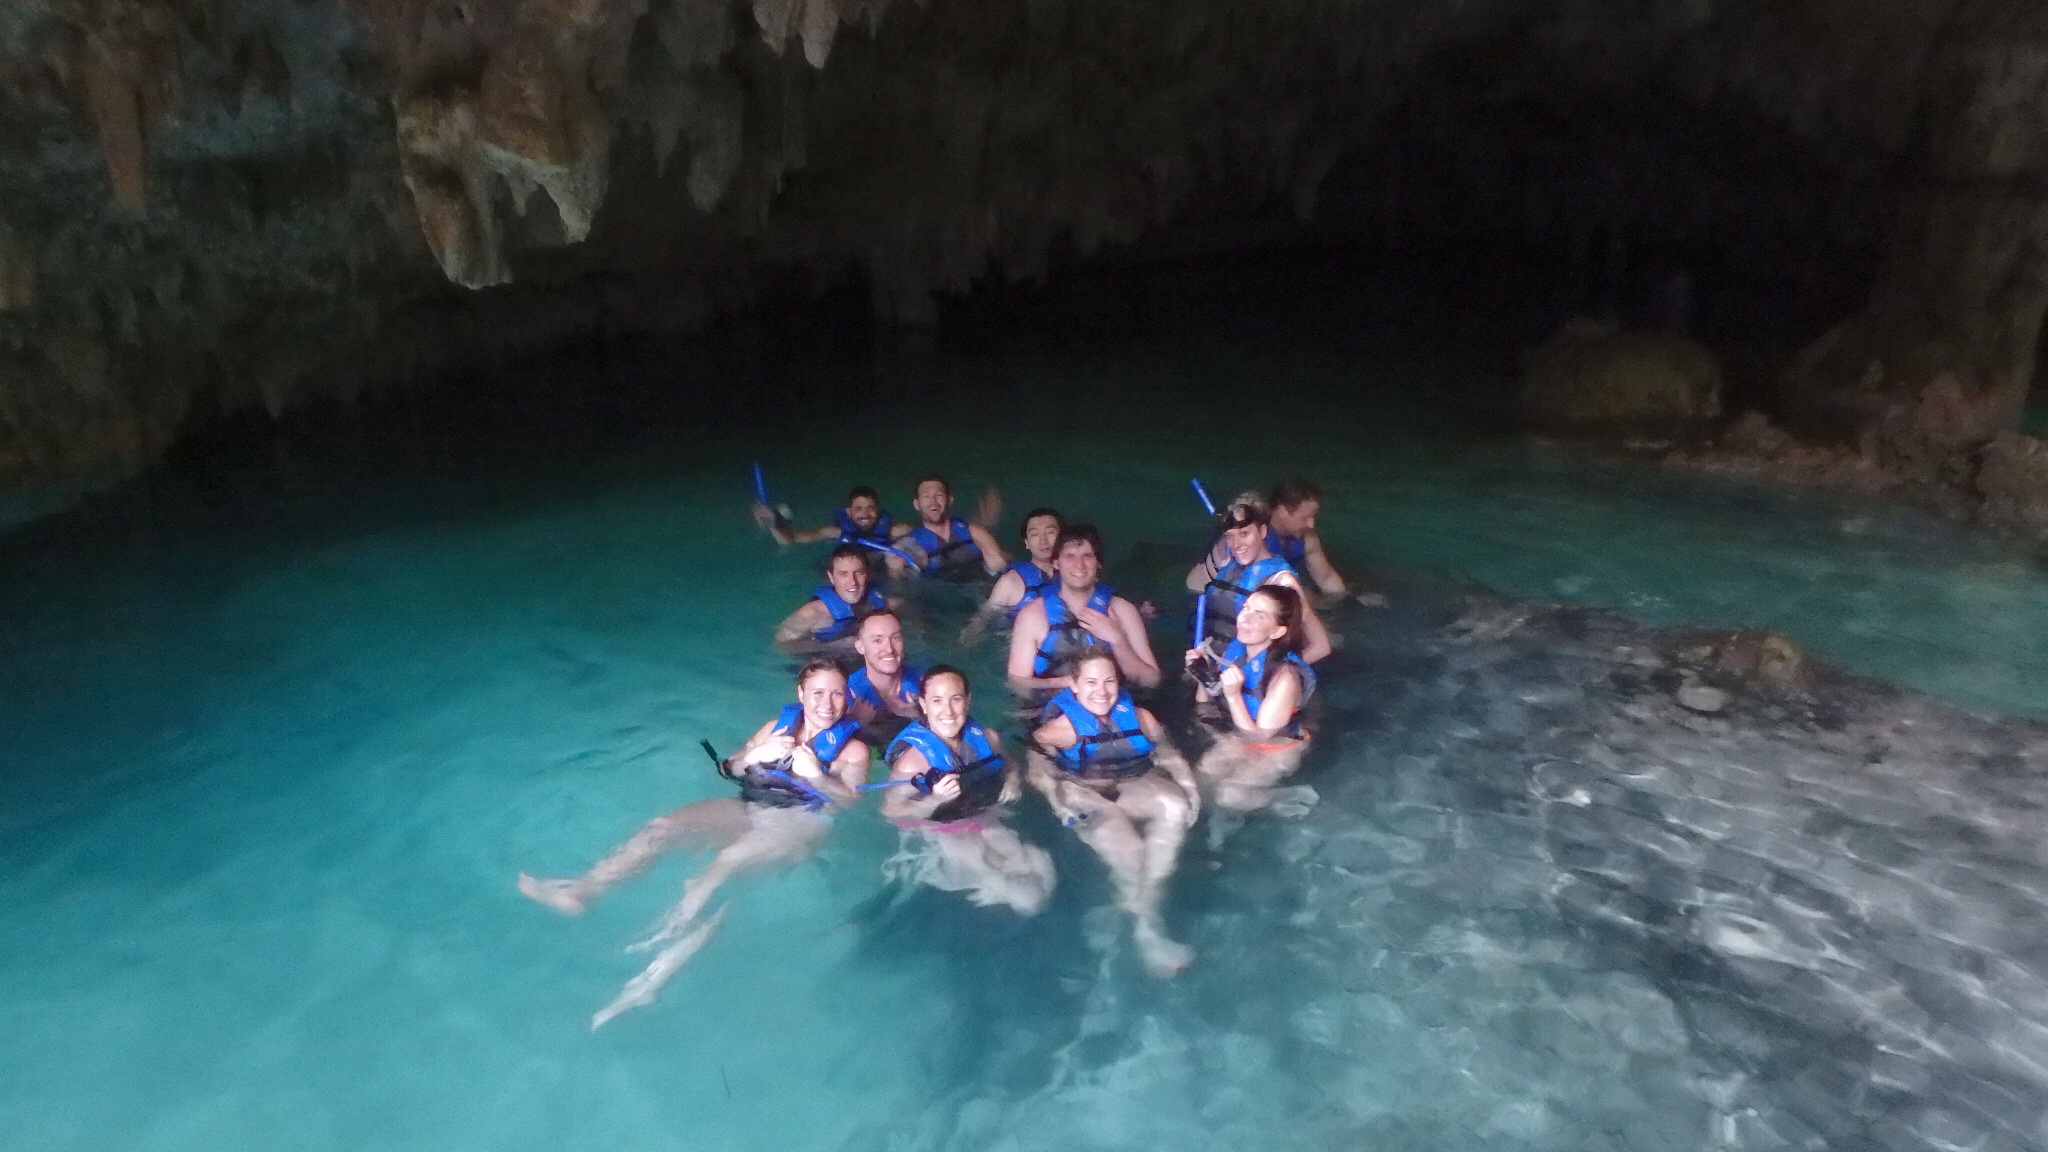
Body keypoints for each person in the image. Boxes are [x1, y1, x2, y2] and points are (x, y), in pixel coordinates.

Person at [518, 660, 868, 1029]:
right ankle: (583, 891)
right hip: (749, 808)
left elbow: (849, 803)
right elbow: (727, 768)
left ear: (846, 698)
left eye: (836, 694)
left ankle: (654, 970)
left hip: (800, 823)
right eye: (818, 693)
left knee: (724, 868)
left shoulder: (853, 751)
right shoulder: (775, 728)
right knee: (662, 828)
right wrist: (752, 757)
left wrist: (817, 777)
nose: (827, 703)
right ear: (800, 694)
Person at [1028, 650, 1199, 976]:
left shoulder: (1142, 718)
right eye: (1091, 682)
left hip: (1131, 784)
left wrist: (1190, 789)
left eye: (1109, 681)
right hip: (1084, 793)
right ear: (1074, 686)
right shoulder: (1056, 731)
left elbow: (1169, 756)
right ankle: (1148, 930)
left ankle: (1145, 897)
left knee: (1176, 805)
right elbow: (1038, 772)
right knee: (1133, 852)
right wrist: (1057, 801)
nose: (1102, 690)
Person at [877, 666, 1055, 914]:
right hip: (942, 828)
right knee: (1025, 899)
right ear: (923, 705)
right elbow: (891, 812)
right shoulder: (913, 762)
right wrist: (935, 799)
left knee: (1037, 862)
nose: (948, 711)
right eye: (937, 701)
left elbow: (1009, 763)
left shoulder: (987, 738)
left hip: (983, 815)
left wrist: (1012, 782)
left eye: (956, 699)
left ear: (967, 701)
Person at [1185, 585, 1319, 821]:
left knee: (1230, 796)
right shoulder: (1236, 650)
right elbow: (1204, 704)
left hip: (1277, 747)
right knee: (1200, 780)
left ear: (1277, 631)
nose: (1245, 618)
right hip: (1239, 734)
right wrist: (1202, 674)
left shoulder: (1285, 677)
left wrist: (1234, 695)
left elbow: (1260, 737)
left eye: (1259, 614)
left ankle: (1277, 798)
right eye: (1246, 608)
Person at [1008, 524, 1160, 696]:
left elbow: (1151, 681)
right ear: (1056, 563)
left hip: (1113, 703)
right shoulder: (1032, 616)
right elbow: (1017, 684)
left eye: (1087, 556)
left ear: (1098, 563)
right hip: (1053, 708)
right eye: (1070, 556)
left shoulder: (1123, 611)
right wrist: (1063, 682)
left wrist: (1117, 639)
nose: (1079, 565)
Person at [1185, 499, 1331, 663]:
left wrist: (1264, 675)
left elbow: (1320, 646)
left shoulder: (1282, 581)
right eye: (1229, 536)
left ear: (1262, 532)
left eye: (1244, 534)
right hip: (1207, 663)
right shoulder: (1227, 562)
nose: (1236, 544)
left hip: (1242, 678)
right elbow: (1193, 585)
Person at [755, 485, 907, 575]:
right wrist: (774, 523)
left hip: (878, 571)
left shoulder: (893, 531)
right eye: (858, 508)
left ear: (879, 510)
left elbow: (927, 533)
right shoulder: (836, 532)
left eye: (870, 508)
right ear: (848, 512)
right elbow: (789, 540)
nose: (865, 514)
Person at [772, 545, 890, 647]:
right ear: (831, 577)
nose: (853, 582)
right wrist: (834, 647)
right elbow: (781, 645)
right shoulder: (813, 613)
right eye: (843, 574)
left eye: (859, 573)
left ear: (867, 574)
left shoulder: (879, 602)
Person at [898, 474, 1007, 579]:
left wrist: (995, 565)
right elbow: (898, 580)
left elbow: (999, 563)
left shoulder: (974, 532)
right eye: (926, 496)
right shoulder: (910, 543)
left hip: (977, 586)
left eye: (939, 495)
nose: (933, 501)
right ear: (917, 504)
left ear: (949, 500)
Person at [845, 608, 924, 745]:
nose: (889, 649)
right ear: (860, 647)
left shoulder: (924, 686)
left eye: (896, 638)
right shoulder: (847, 695)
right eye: (877, 640)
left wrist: (917, 716)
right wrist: (857, 723)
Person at [1265, 478, 1349, 599]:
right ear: (1282, 511)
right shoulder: (1255, 537)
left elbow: (1326, 578)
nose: (1311, 525)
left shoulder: (1308, 538)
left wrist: (1346, 601)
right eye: (1305, 518)